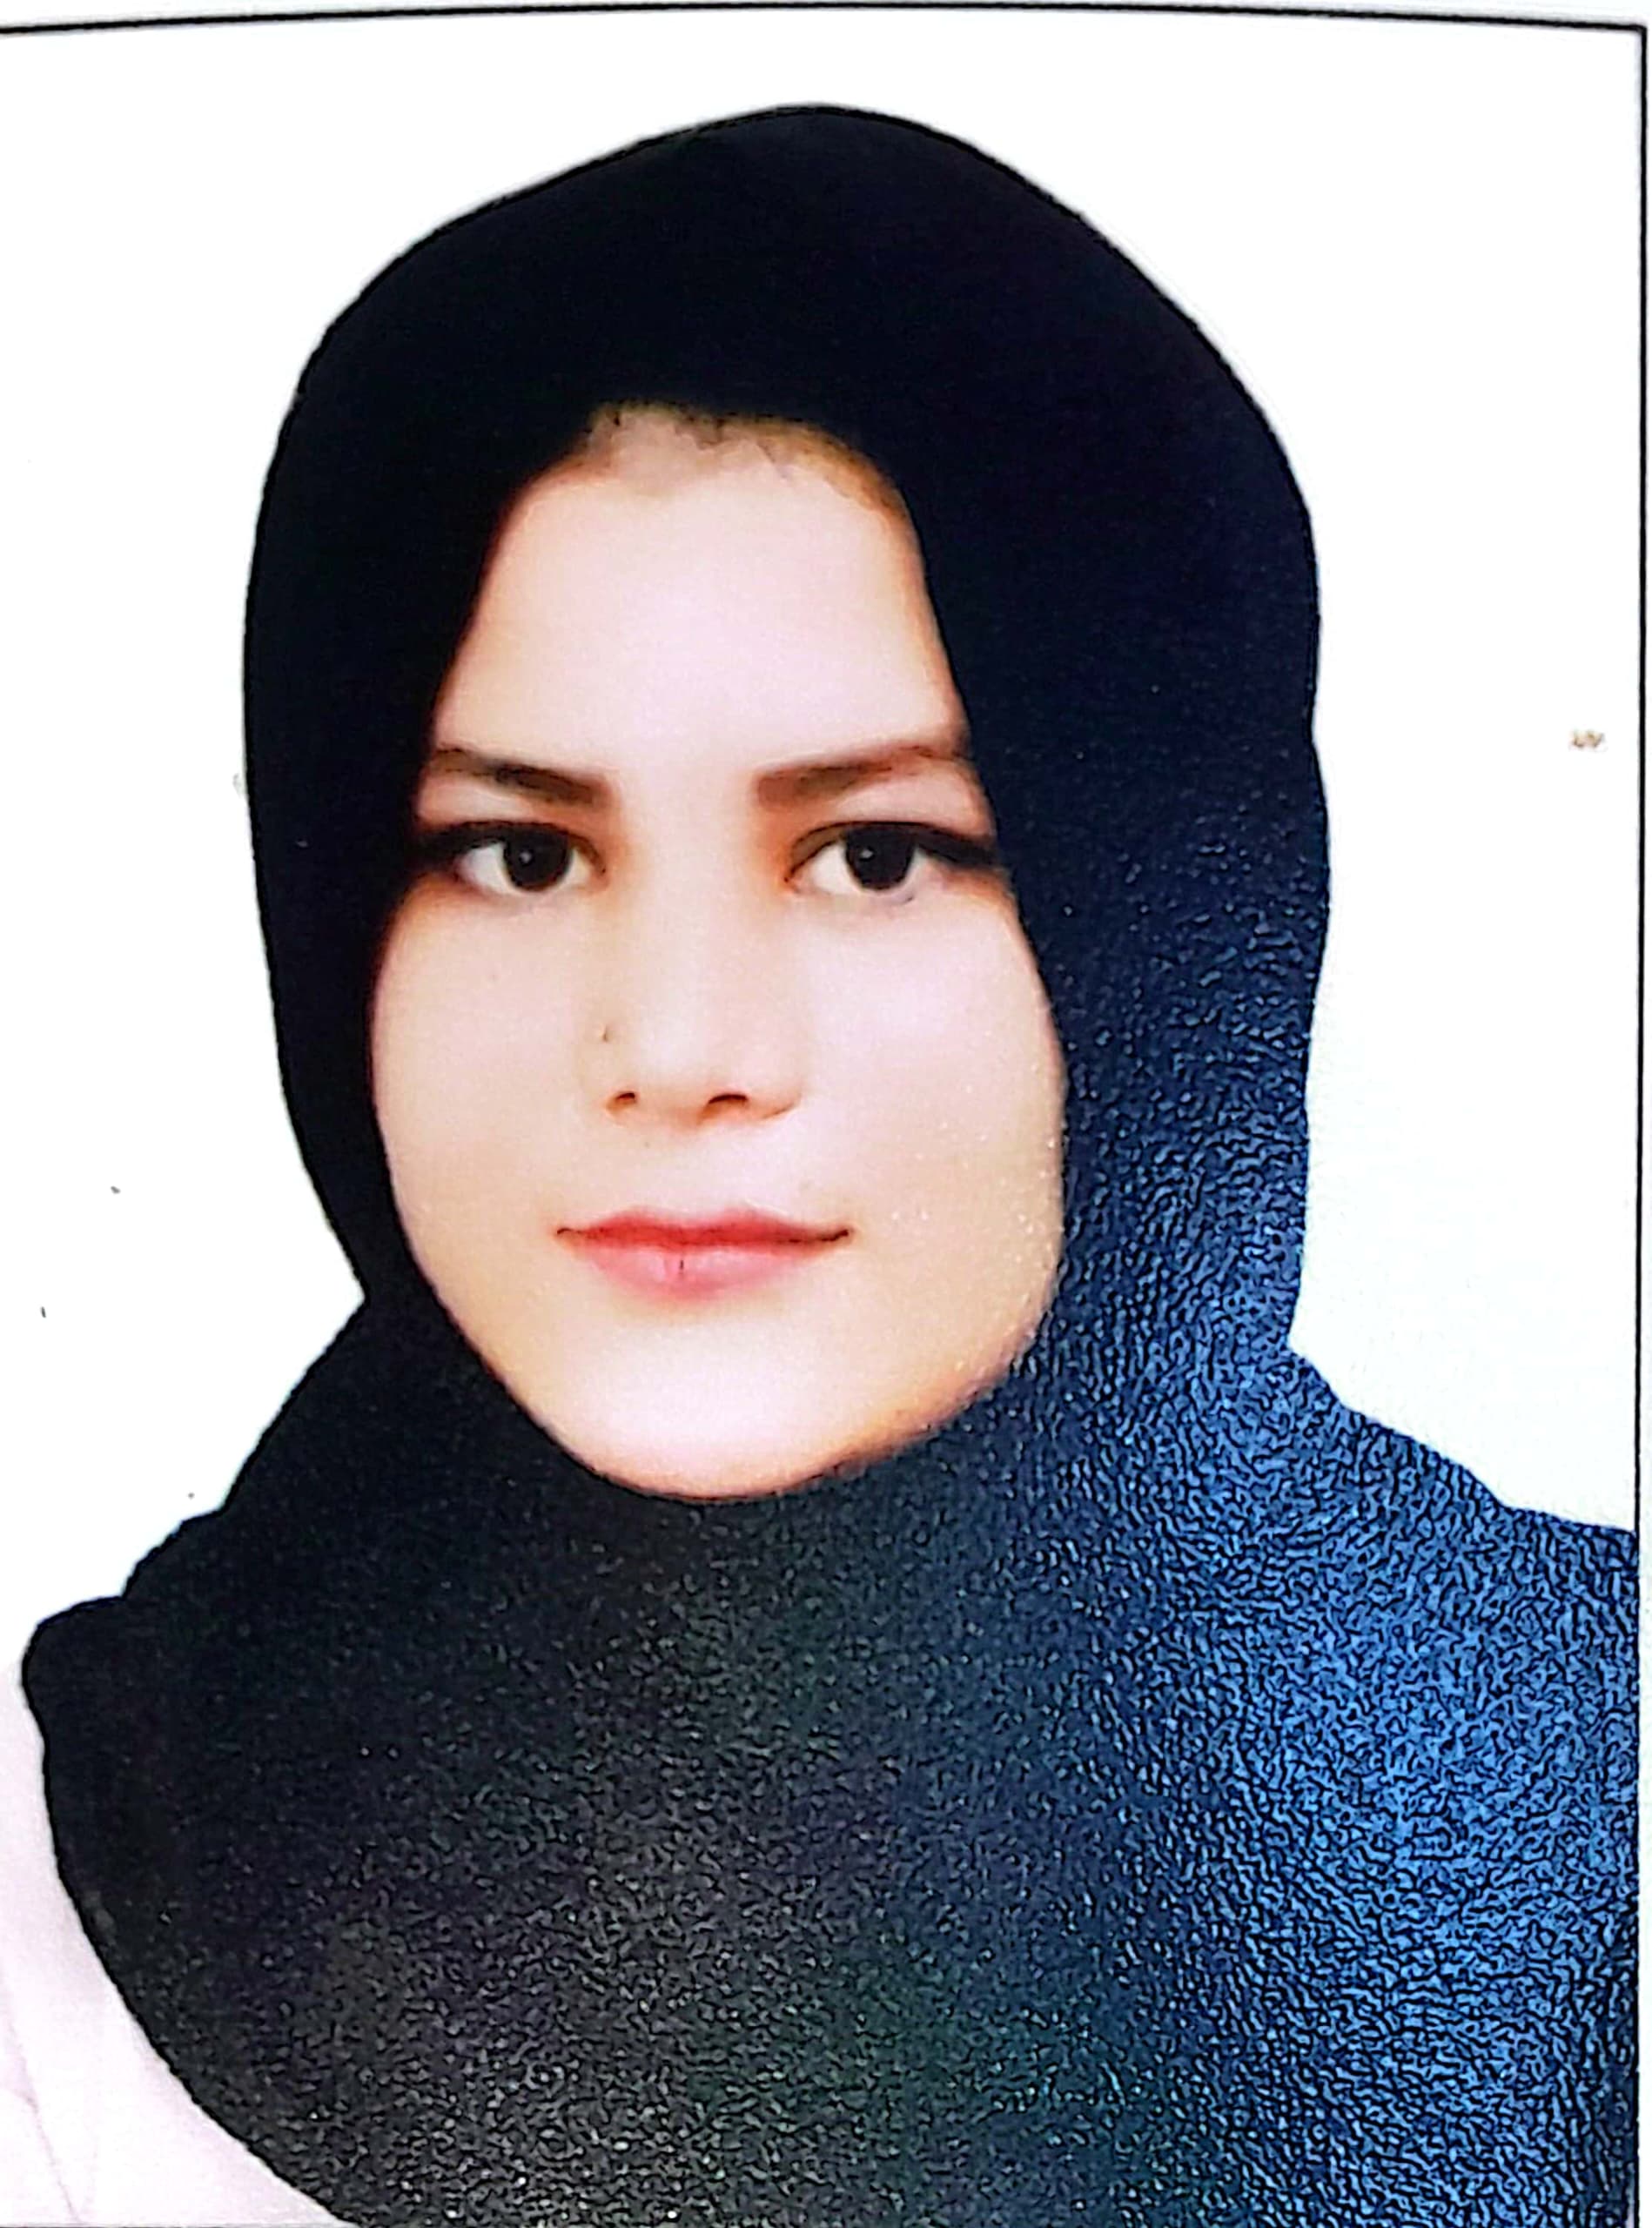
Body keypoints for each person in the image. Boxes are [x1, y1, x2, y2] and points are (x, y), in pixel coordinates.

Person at [3, 106, 1632, 2227]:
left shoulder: (1600, 1796)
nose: (681, 1047)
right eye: (517, 853)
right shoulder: (63, 1889)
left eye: (877, 853)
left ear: (1170, 917)